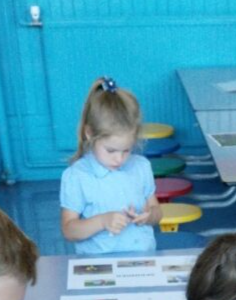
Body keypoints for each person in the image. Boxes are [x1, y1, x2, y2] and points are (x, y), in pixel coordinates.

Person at [60, 76, 161, 255]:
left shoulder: (141, 167)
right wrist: (102, 221)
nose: (119, 159)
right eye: (111, 151)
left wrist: (149, 216)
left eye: (127, 150)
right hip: (98, 268)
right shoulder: (76, 176)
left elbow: (156, 211)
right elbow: (69, 230)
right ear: (90, 133)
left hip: (143, 261)